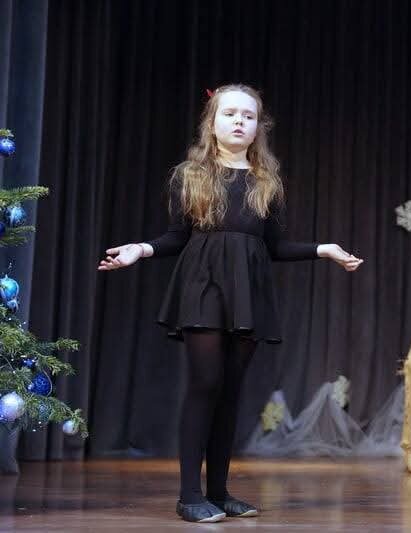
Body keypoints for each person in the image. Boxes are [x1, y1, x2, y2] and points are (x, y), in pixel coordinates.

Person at [99, 84, 363, 522]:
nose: (239, 121)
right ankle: (189, 495)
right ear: (212, 123)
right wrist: (140, 250)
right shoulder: (190, 175)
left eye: (248, 116)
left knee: (230, 390)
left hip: (248, 290)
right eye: (230, 114)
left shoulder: (266, 181)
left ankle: (219, 492)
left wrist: (324, 249)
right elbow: (176, 237)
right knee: (205, 383)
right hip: (203, 284)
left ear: (259, 127)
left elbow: (274, 246)